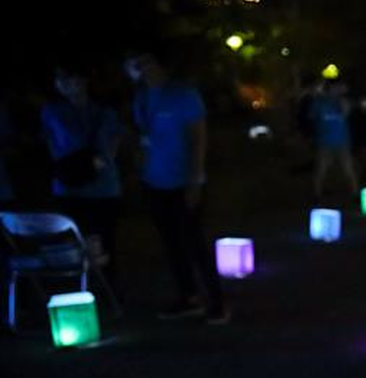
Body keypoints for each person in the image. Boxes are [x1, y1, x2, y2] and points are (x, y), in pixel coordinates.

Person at [125, 50, 228, 323]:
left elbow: (198, 139)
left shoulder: (183, 94)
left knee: (195, 243)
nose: (139, 69)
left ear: (159, 64)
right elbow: (143, 136)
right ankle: (188, 297)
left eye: (144, 62)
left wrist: (194, 180)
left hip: (183, 181)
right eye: (134, 64)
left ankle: (217, 302)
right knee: (171, 245)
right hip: (153, 181)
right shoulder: (141, 97)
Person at [40, 66, 124, 285]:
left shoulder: (104, 111)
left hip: (99, 187)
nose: (66, 84)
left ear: (83, 80)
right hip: (71, 184)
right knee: (72, 241)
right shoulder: (52, 111)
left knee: (103, 240)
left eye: (70, 78)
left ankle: (107, 288)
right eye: (61, 80)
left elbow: (112, 145)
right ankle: (85, 288)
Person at [309, 81, 359, 201]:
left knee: (348, 169)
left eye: (338, 88)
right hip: (324, 143)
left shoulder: (343, 102)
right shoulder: (319, 103)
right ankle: (317, 194)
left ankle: (355, 193)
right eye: (333, 88)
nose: (336, 91)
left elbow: (346, 111)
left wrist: (339, 100)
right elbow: (310, 116)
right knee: (321, 170)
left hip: (342, 142)